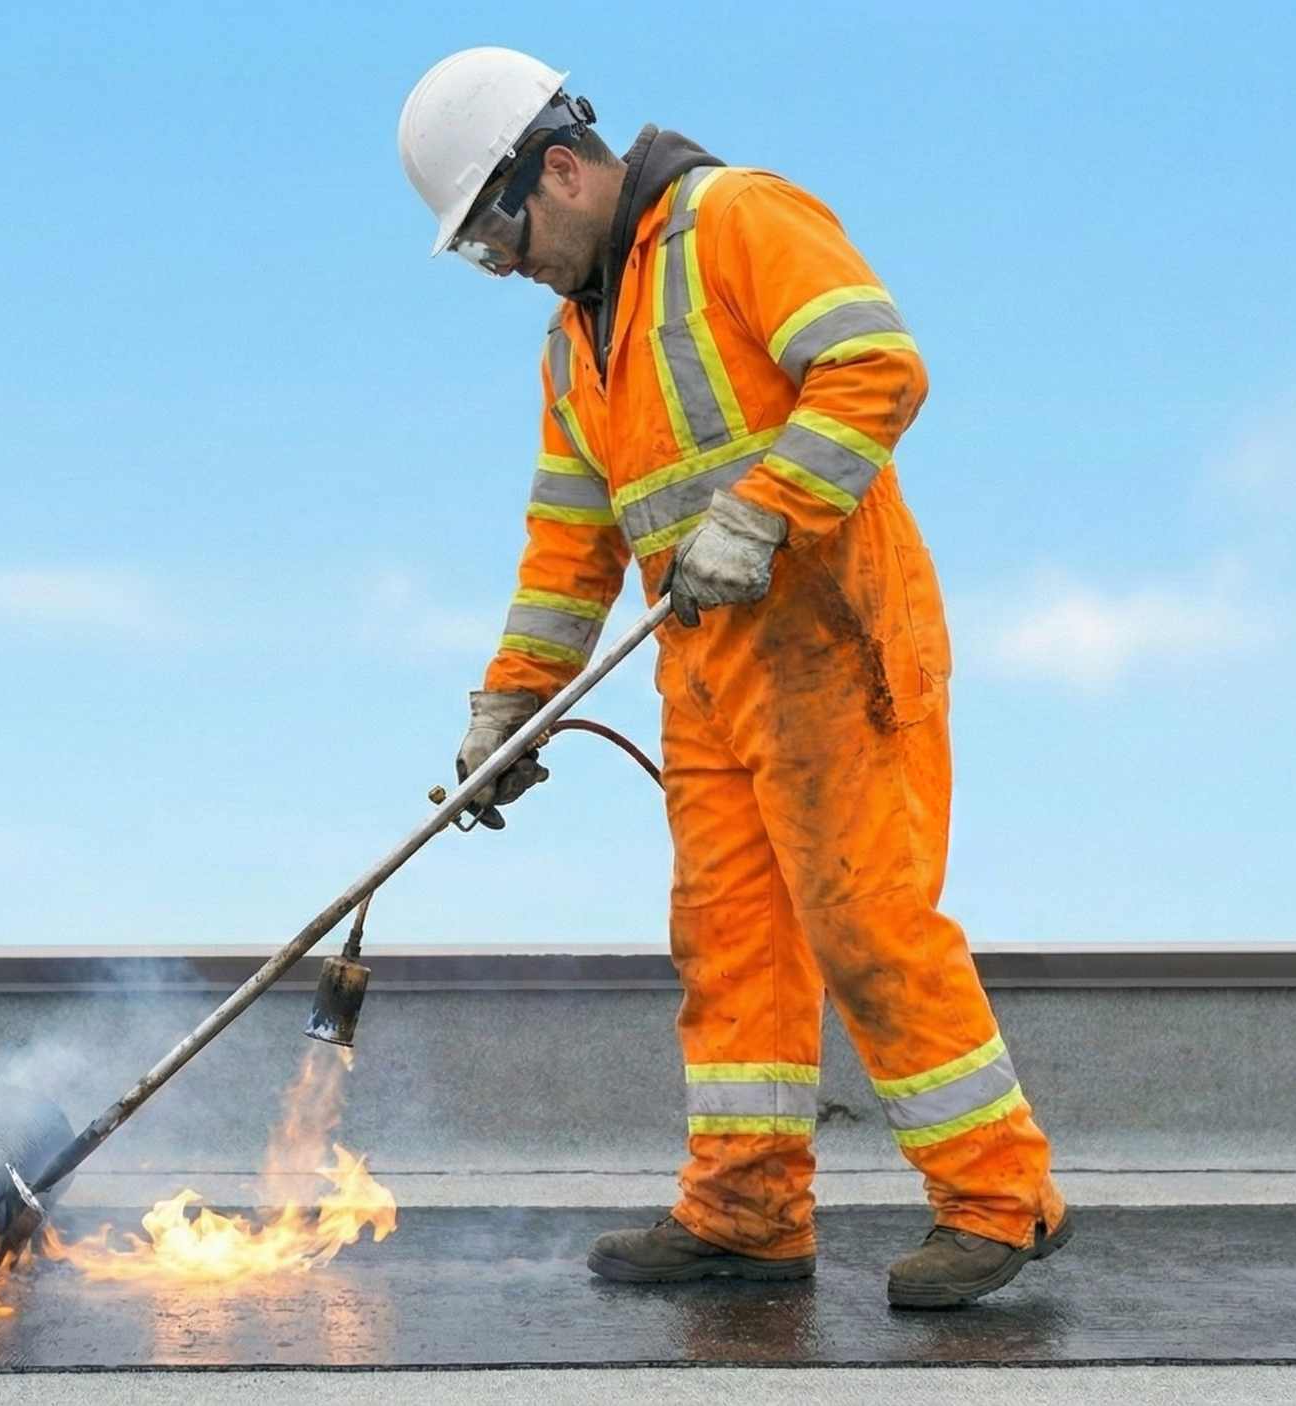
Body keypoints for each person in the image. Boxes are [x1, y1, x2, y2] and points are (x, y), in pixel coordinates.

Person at [398, 48, 1070, 1308]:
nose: (508, 270)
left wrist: (763, 511)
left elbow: (879, 366)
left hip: (832, 637)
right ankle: (746, 1211)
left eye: (502, 241)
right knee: (729, 943)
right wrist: (510, 699)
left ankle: (997, 1200)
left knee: (866, 922)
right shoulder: (570, 345)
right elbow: (570, 542)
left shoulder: (735, 218)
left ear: (557, 170)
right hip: (703, 666)